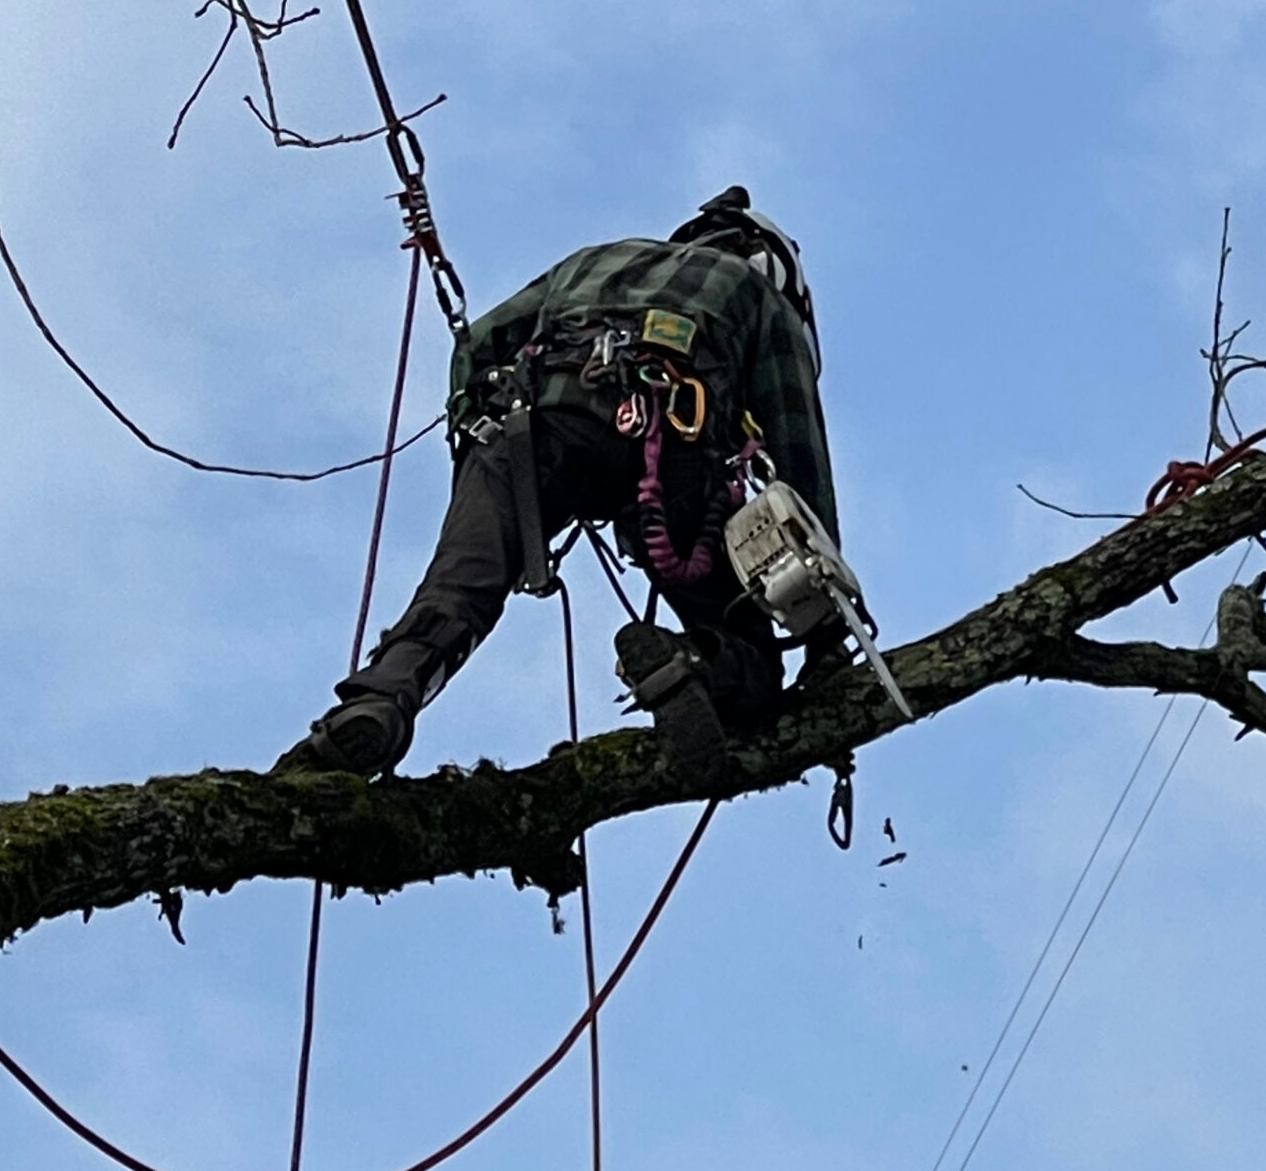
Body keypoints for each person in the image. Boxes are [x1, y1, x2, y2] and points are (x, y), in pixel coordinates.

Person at [275, 187, 844, 778]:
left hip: (524, 430)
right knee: (748, 651)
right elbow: (798, 457)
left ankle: (377, 704)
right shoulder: (759, 298)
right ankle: (690, 662)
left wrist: (482, 467)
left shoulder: (595, 258)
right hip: (670, 443)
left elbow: (479, 346)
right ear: (774, 267)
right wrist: (826, 631)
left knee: (459, 589)